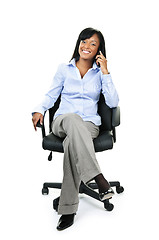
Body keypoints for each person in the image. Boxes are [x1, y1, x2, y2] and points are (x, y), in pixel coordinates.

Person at [32, 27, 119, 230]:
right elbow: (51, 95)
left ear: (99, 50)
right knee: (72, 119)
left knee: (73, 142)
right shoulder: (64, 69)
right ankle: (98, 178)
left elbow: (113, 102)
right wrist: (39, 110)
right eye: (83, 41)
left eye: (92, 43)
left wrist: (105, 71)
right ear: (78, 43)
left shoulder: (100, 74)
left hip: (89, 125)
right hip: (63, 121)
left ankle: (68, 208)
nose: (86, 46)